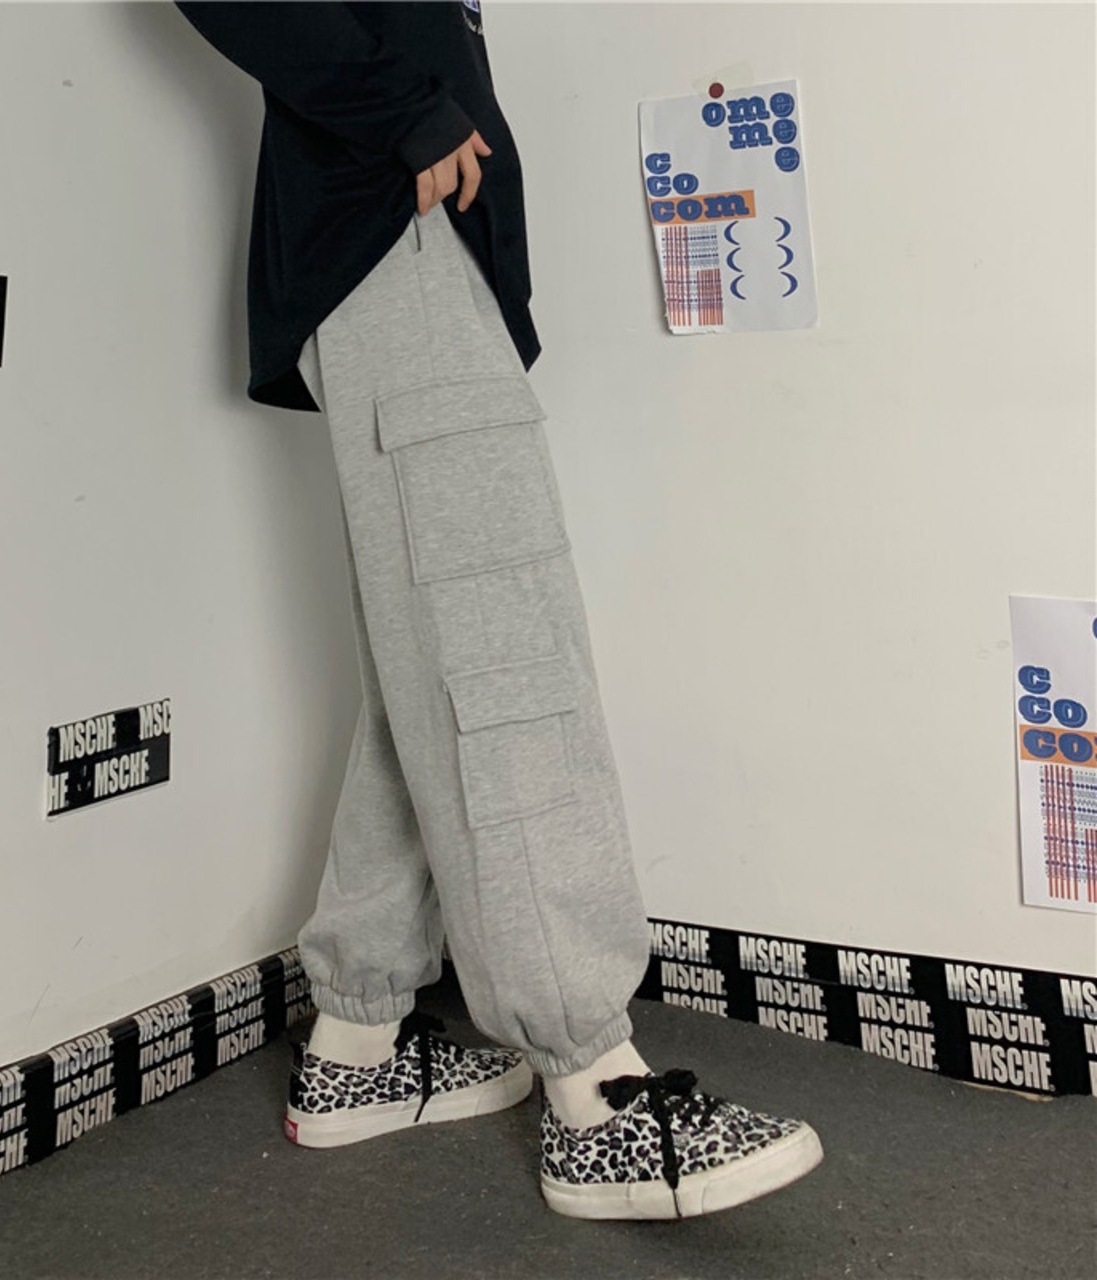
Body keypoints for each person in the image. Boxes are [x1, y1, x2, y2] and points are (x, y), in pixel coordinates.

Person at [174, 0, 822, 1220]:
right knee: (501, 658)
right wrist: (406, 119)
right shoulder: (391, 163)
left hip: (419, 255)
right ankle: (594, 1090)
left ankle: (359, 1033)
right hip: (391, 240)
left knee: (429, 670)